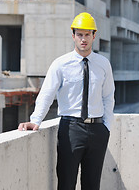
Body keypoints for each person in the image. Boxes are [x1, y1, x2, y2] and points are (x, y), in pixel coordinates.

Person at [18, 12, 115, 190]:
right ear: (73, 36)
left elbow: (108, 97)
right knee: (66, 183)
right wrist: (35, 120)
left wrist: (106, 127)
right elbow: (47, 94)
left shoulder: (103, 64)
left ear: (94, 35)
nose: (83, 39)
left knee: (92, 185)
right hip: (71, 129)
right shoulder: (61, 64)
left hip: (97, 130)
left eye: (87, 34)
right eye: (79, 34)